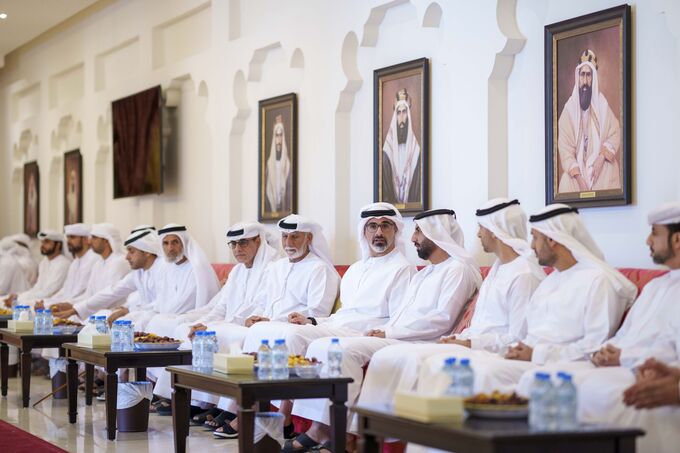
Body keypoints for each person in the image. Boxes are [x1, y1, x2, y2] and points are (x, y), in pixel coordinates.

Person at [285, 209, 481, 451]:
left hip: (420, 340)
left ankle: (339, 432)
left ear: (436, 233)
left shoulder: (457, 269)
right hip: (397, 334)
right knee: (321, 345)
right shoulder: (428, 272)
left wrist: (388, 332)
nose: (413, 239)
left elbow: (441, 320)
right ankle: (327, 429)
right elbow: (402, 315)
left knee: (343, 349)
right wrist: (385, 330)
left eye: (418, 231)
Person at [419, 204, 637, 396]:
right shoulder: (553, 280)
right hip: (528, 357)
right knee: (440, 365)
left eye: (535, 238)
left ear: (553, 239)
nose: (530, 245)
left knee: (475, 373)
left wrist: (535, 353)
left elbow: (594, 347)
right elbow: (528, 335)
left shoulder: (598, 281)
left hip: (557, 364)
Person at [357, 198, 545, 415]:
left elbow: (517, 336)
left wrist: (470, 342)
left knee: (411, 359)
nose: (477, 234)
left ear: (494, 231)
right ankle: (373, 432)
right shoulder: (498, 269)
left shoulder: (522, 274)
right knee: (393, 357)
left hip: (478, 348)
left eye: (481, 228)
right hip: (468, 343)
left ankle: (387, 435)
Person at [548, 201, 680, 453]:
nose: (647, 241)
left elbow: (668, 352)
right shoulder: (655, 287)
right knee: (546, 383)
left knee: (610, 398)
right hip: (626, 365)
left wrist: (628, 357)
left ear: (677, 240)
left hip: (646, 371)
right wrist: (609, 351)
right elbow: (625, 336)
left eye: (654, 232)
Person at [205, 214, 341, 438]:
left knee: (288, 337)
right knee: (258, 330)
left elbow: (318, 311)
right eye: (285, 237)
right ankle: (249, 410)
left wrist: (299, 317)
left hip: (301, 326)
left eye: (295, 237)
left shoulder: (319, 268)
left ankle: (284, 417)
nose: (288, 243)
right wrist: (258, 317)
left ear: (309, 239)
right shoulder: (276, 267)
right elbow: (264, 301)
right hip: (274, 323)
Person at [241, 202, 415, 355]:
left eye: (385, 226)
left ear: (395, 230)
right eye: (372, 226)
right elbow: (342, 315)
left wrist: (380, 332)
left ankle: (288, 392)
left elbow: (397, 320)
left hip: (362, 333)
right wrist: (310, 321)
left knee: (294, 335)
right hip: (337, 327)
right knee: (261, 330)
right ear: (364, 231)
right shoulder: (356, 269)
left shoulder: (402, 269)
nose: (378, 232)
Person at [149, 222, 279, 416]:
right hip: (231, 324)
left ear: (258, 241)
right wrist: (204, 323)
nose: (237, 249)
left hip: (251, 326)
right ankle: (195, 400)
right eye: (233, 244)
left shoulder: (272, 269)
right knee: (191, 330)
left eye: (243, 243)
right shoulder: (237, 271)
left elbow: (261, 308)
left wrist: (222, 324)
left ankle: (226, 409)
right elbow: (221, 307)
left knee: (219, 334)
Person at [51, 227, 162, 322]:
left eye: (131, 252)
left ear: (147, 251)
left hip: (152, 316)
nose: (127, 257)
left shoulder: (161, 269)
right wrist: (75, 309)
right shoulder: (139, 273)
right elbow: (111, 291)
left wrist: (128, 309)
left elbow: (162, 303)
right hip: (137, 313)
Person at [558, 49, 621, 193]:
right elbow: (565, 149)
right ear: (578, 77)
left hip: (599, 169)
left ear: (593, 79)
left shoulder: (602, 105)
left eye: (588, 75)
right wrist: (580, 179)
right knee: (566, 182)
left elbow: (615, 132)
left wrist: (601, 158)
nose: (585, 81)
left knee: (611, 168)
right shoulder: (569, 110)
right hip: (578, 173)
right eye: (582, 75)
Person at [36, 224, 99, 309]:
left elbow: (81, 293)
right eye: (68, 237)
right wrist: (47, 302)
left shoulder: (94, 260)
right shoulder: (75, 263)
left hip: (81, 308)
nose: (68, 241)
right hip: (68, 306)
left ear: (85, 239)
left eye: (72, 237)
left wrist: (50, 304)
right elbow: (66, 290)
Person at [4, 230, 71, 308]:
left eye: (47, 242)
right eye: (42, 242)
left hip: (51, 303)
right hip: (38, 299)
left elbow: (50, 291)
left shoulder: (63, 263)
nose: (43, 245)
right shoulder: (44, 262)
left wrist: (19, 300)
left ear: (58, 245)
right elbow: (37, 287)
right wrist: (18, 297)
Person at [382, 88, 421, 204]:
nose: (402, 118)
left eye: (404, 112)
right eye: (398, 113)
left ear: (408, 115)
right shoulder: (386, 154)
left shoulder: (416, 152)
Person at [265, 114, 292, 213]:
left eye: (281, 135)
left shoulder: (288, 164)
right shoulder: (269, 164)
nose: (279, 140)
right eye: (277, 135)